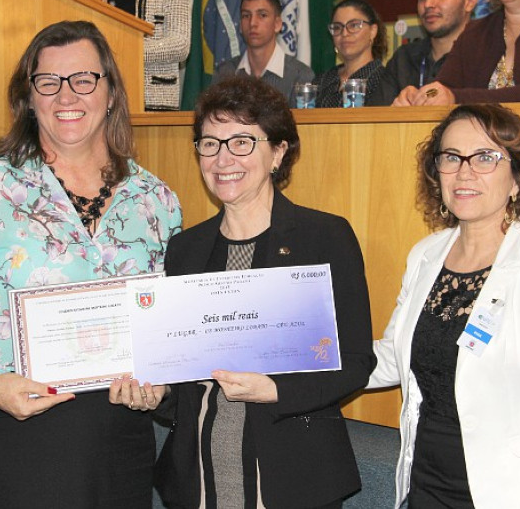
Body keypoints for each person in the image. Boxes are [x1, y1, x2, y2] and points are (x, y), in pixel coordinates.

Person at [0, 21, 182, 508]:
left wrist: (161, 383)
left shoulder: (155, 200)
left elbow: (172, 321)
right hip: (24, 431)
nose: (66, 95)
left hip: (123, 436)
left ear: (110, 91)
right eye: (48, 82)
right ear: (29, 98)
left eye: (84, 79)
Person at [112, 77, 376, 507]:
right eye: (210, 144)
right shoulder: (185, 249)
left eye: (241, 142)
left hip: (293, 478)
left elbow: (356, 362)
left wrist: (275, 389)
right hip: (197, 481)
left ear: (278, 152)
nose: (222, 159)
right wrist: (156, 392)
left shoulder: (324, 237)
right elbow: (181, 373)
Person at [367, 103, 520, 508]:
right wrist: (303, 356)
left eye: (486, 157)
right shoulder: (425, 255)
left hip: (518, 493)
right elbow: (391, 358)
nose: (464, 171)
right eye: (451, 157)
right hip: (426, 485)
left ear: (518, 177)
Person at [81, 0, 191, 110]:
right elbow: (78, 41)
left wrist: (126, 51)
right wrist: (89, 11)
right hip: (100, 100)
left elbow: (180, 45)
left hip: (152, 103)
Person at [369, 0, 478, 106]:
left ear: (469, 2)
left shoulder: (486, 57)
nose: (428, 4)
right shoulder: (404, 59)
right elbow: (373, 119)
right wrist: (394, 111)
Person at [212, 0, 316, 101]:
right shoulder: (225, 74)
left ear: (277, 24)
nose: (252, 23)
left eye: (262, 15)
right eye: (246, 16)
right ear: (240, 26)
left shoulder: (300, 76)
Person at [312, 0, 388, 107]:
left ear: (373, 31)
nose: (344, 33)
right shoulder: (322, 81)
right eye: (337, 27)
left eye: (354, 25)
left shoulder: (384, 81)